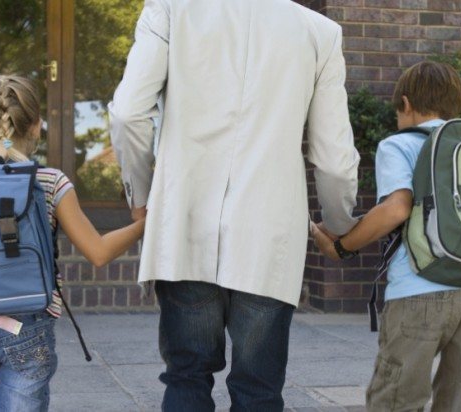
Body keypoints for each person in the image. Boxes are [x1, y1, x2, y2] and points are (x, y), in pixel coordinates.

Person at [108, 1, 360, 410]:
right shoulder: (319, 32)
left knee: (186, 377)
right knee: (258, 391)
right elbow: (334, 159)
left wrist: (141, 196)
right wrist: (338, 224)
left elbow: (127, 115)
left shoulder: (171, 10)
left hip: (184, 226)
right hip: (268, 235)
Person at [0, 74, 146, 412]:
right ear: (37, 127)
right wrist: (144, 224)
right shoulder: (50, 182)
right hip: (27, 333)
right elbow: (98, 253)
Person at [312, 61, 461, 411]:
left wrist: (341, 247)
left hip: (419, 292)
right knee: (455, 404)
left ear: (406, 104)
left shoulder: (401, 145)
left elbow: (397, 208)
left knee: (396, 401)